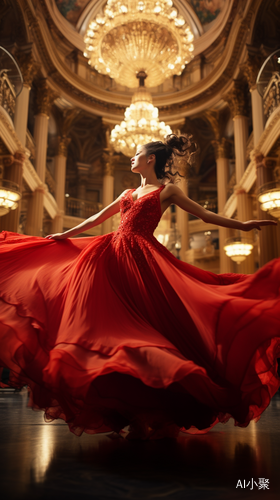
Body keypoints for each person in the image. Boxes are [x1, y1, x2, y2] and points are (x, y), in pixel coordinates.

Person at [0, 134, 279, 441]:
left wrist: (244, 225)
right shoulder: (128, 192)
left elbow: (204, 214)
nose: (131, 158)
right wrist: (66, 233)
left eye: (137, 154)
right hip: (111, 254)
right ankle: (121, 406)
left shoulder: (168, 190)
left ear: (150, 160)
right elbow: (98, 217)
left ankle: (159, 402)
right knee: (106, 325)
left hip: (143, 257)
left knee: (149, 325)